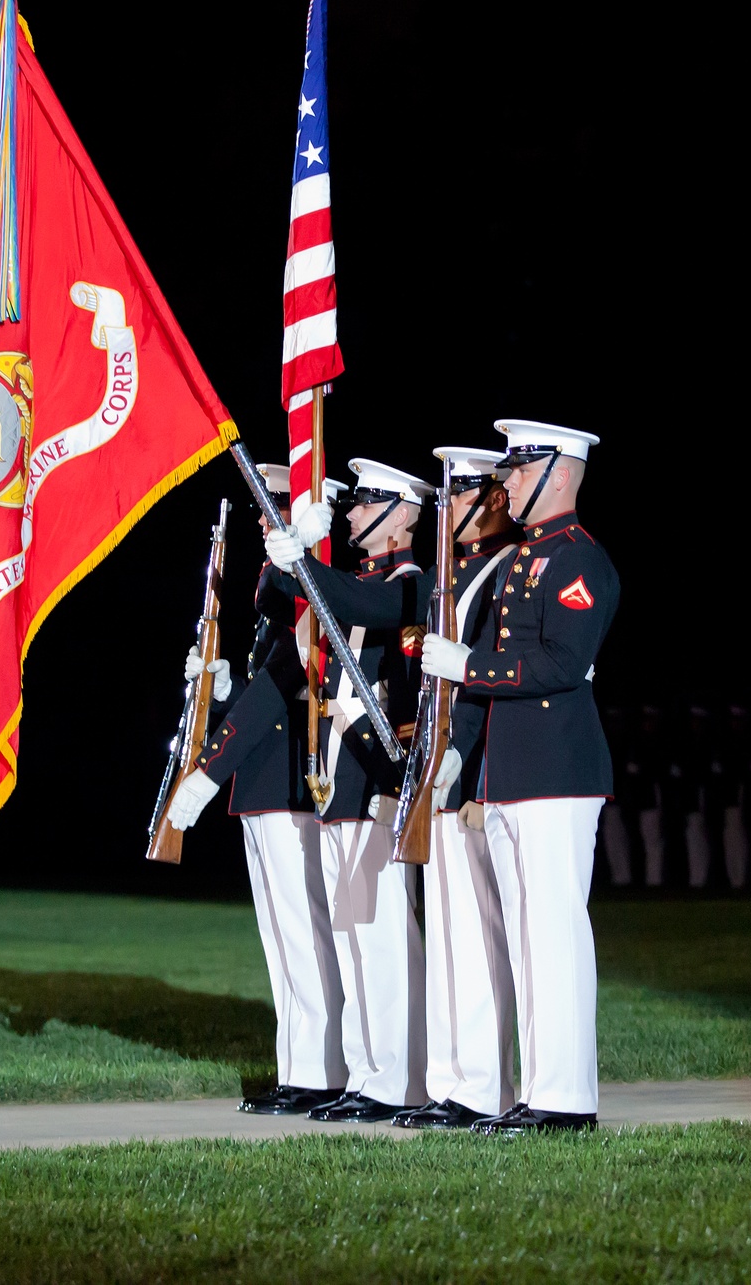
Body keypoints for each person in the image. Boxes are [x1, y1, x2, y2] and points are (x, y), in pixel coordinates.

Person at [420, 419, 619, 1135]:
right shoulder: (520, 562)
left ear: (560, 475)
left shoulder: (580, 562)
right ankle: (538, 1095)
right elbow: (489, 685)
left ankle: (565, 1101)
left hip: (558, 774)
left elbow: (561, 667)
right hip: (511, 776)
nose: (507, 484)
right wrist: (457, 757)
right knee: (527, 940)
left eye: (521, 472)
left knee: (553, 937)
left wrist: (467, 667)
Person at [167, 464, 349, 1116]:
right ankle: (303, 1067)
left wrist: (212, 769)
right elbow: (262, 676)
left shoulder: (307, 573)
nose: (262, 517)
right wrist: (220, 692)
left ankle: (325, 1069)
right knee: (283, 935)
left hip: (291, 774)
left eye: (273, 504)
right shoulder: (279, 575)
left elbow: (288, 677)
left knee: (307, 932)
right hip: (264, 774)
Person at [264, 458, 431, 1122]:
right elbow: (297, 605)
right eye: (355, 503)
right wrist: (287, 560)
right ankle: (368, 1075)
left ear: (403, 516)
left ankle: (398, 1078)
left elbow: (368, 607)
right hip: (342, 777)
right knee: (354, 936)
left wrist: (304, 560)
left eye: (366, 505)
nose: (354, 514)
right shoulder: (359, 582)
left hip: (379, 778)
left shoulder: (409, 583)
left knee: (382, 934)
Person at [393, 447, 518, 1130]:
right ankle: (449, 1083)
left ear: (493, 497)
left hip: (471, 773)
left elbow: (495, 685)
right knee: (444, 933)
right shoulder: (460, 572)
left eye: (462, 498)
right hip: (436, 766)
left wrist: (469, 768)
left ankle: (484, 1088)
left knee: (474, 936)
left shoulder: (507, 569)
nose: (452, 514)